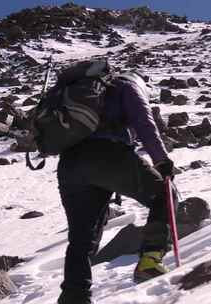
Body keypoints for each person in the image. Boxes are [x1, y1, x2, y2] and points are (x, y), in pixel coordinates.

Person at [56, 71, 176, 304]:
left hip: (69, 165)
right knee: (165, 193)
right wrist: (161, 160)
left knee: (82, 237)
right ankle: (151, 260)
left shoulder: (78, 91)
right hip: (108, 155)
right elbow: (144, 121)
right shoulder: (128, 84)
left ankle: (74, 296)